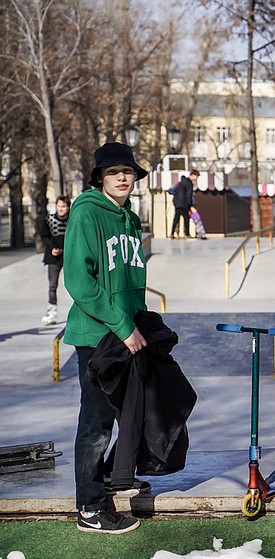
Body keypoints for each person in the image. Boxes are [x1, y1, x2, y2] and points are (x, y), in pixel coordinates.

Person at [63, 141, 150, 534]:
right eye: (114, 172)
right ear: (100, 177)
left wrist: (140, 322)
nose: (122, 178)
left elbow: (130, 278)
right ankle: (90, 507)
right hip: (98, 335)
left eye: (128, 172)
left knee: (134, 408)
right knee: (97, 422)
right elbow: (80, 282)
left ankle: (117, 475)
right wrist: (122, 323)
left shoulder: (129, 218)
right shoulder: (86, 214)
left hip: (126, 330)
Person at [38, 196, 71, 326]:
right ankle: (52, 312)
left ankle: (79, 311)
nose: (60, 209)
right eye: (59, 206)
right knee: (52, 285)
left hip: (69, 256)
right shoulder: (49, 219)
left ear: (68, 207)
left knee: (74, 284)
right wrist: (52, 248)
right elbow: (44, 236)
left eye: (63, 206)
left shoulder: (73, 220)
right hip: (53, 256)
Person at [171, 169, 199, 238]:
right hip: (184, 204)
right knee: (186, 219)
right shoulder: (189, 183)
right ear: (193, 175)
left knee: (176, 218)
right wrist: (191, 206)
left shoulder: (181, 182)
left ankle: (172, 233)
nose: (196, 178)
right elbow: (188, 195)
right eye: (196, 176)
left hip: (177, 203)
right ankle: (187, 234)